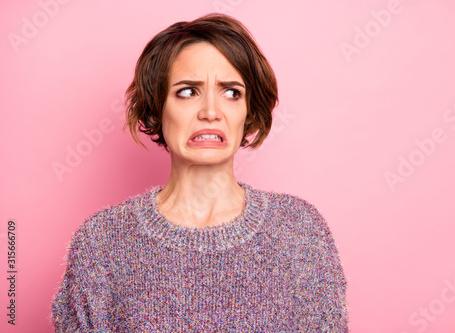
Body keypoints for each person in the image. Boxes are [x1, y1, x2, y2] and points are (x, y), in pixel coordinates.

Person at [51, 13, 349, 332]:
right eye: (188, 91)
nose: (210, 112)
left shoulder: (299, 232)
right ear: (157, 108)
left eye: (231, 92)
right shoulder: (102, 243)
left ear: (248, 111)